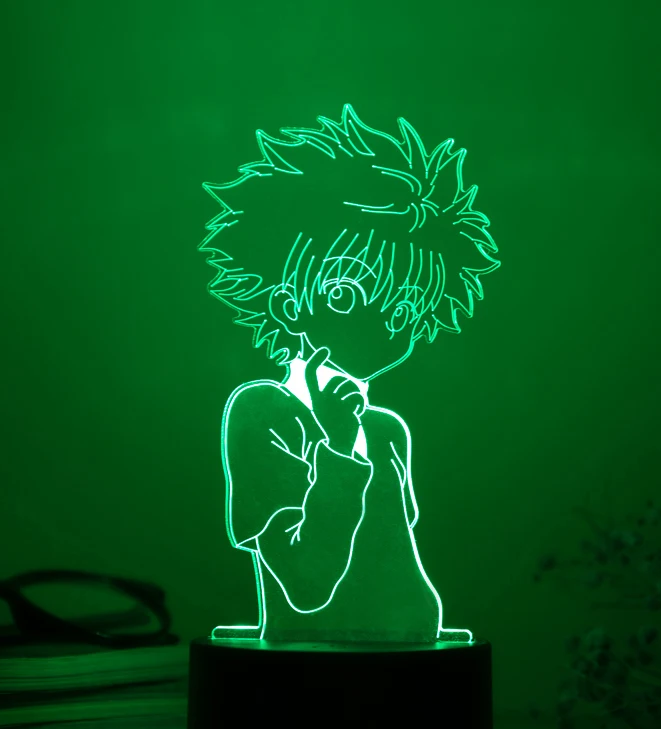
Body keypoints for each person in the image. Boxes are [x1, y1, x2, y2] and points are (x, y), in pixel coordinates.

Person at [198, 104, 501, 642]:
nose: (381, 322)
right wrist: (337, 450)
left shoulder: (386, 430)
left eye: (405, 308)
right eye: (346, 293)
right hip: (312, 666)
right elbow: (307, 584)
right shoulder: (262, 413)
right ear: (289, 304)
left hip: (420, 655)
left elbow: (393, 556)